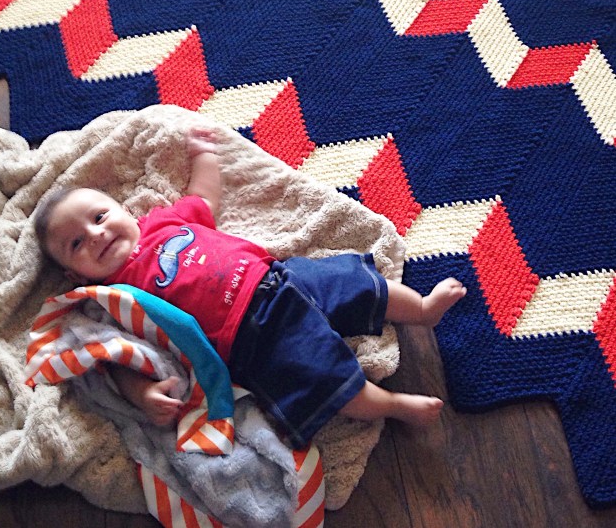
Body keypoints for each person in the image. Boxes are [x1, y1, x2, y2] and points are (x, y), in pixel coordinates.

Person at [34, 128, 467, 448]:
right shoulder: (113, 299)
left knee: (354, 280)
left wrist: (204, 154)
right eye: (77, 244)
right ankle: (393, 405)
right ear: (76, 276)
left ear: (125, 211)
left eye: (99, 217)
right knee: (325, 381)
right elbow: (120, 357)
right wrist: (143, 394)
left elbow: (205, 199)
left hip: (280, 277)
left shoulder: (163, 222)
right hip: (253, 338)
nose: (96, 235)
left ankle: (422, 309)